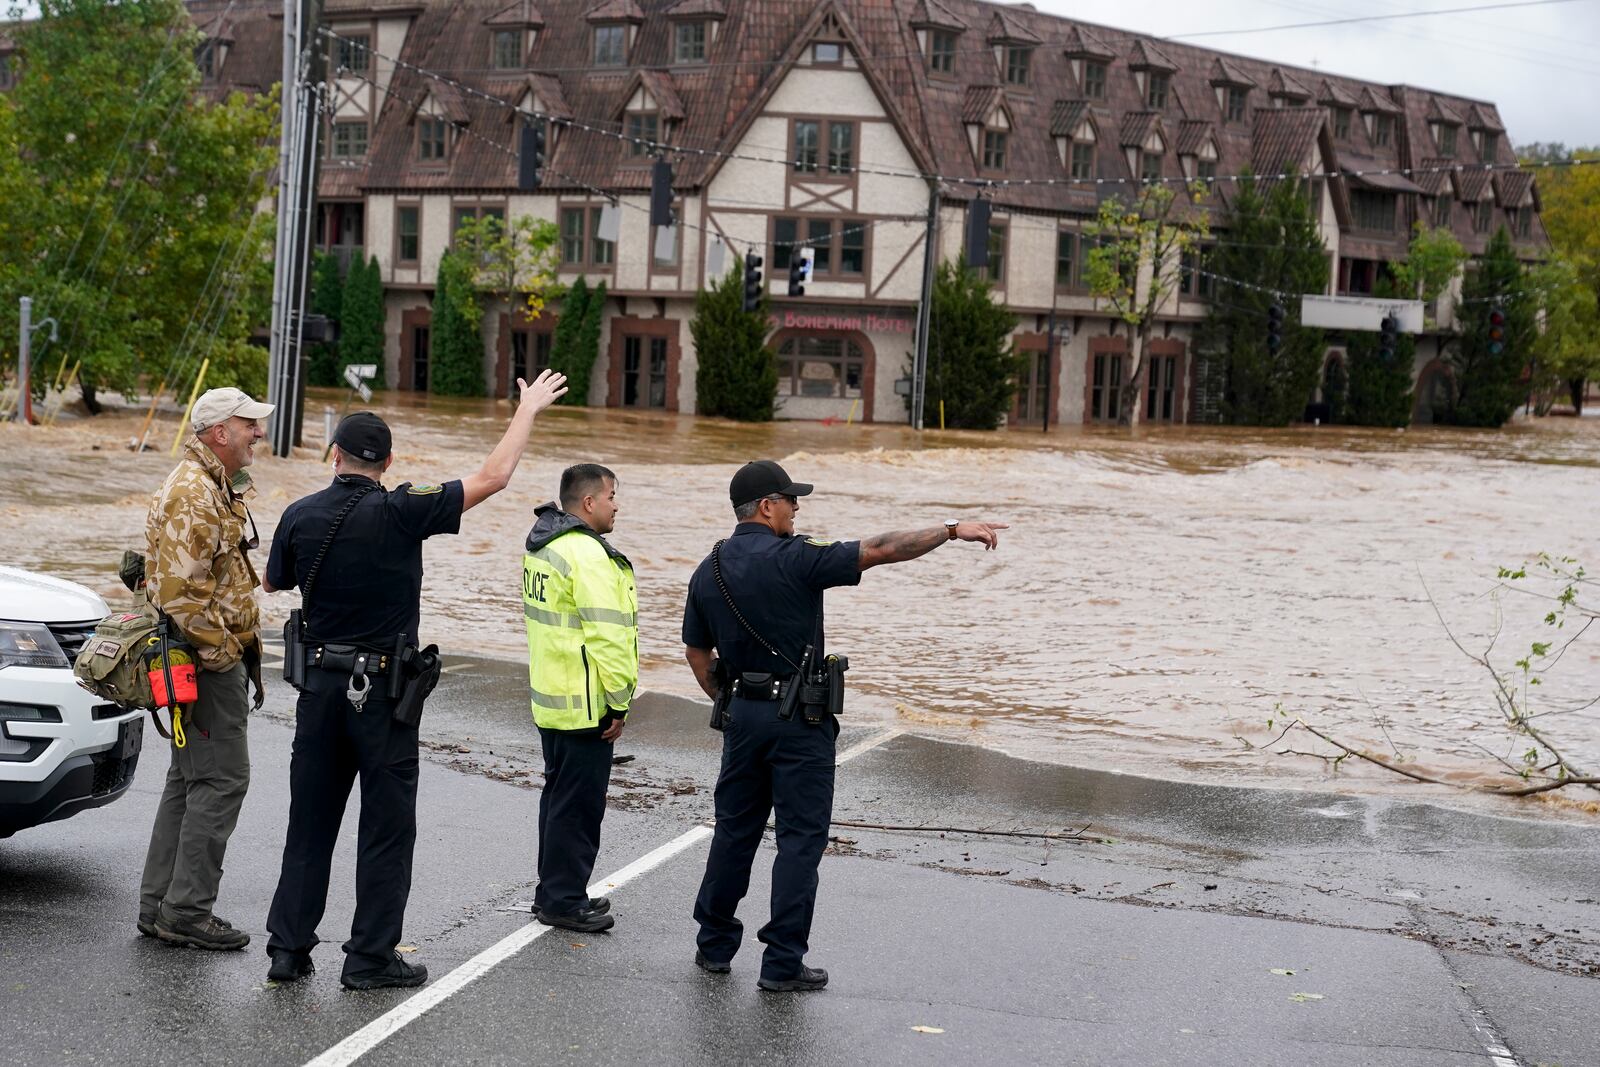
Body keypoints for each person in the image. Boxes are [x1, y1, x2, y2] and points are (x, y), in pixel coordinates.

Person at [260, 370, 568, 990]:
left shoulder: (299, 514)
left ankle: (288, 952)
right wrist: (528, 407)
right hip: (383, 697)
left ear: (334, 455)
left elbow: (270, 584)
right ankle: (369, 958)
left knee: (310, 825)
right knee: (385, 828)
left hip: (319, 691)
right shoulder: (404, 508)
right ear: (390, 461)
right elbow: (494, 478)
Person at [682, 460, 1006, 992]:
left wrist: (733, 702)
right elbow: (881, 548)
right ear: (767, 506)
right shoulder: (798, 559)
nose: (797, 507)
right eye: (790, 500)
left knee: (735, 834)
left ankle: (713, 947)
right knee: (799, 841)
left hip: (742, 718)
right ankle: (781, 965)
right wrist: (951, 530)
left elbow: (697, 652)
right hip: (798, 722)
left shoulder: (708, 568)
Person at [139, 386, 274, 951]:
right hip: (202, 661)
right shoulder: (195, 493)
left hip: (194, 659)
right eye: (250, 425)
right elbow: (180, 596)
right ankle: (187, 911)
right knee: (221, 781)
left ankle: (161, 906)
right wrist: (225, 658)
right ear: (220, 433)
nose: (258, 434)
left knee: (190, 780)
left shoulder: (207, 484)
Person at [522, 463, 638, 933]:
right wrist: (619, 702)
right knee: (578, 807)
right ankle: (563, 901)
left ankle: (553, 889)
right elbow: (608, 636)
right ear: (589, 502)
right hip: (587, 705)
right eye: (612, 496)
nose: (616, 504)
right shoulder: (587, 555)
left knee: (558, 800)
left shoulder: (543, 547)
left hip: (552, 699)